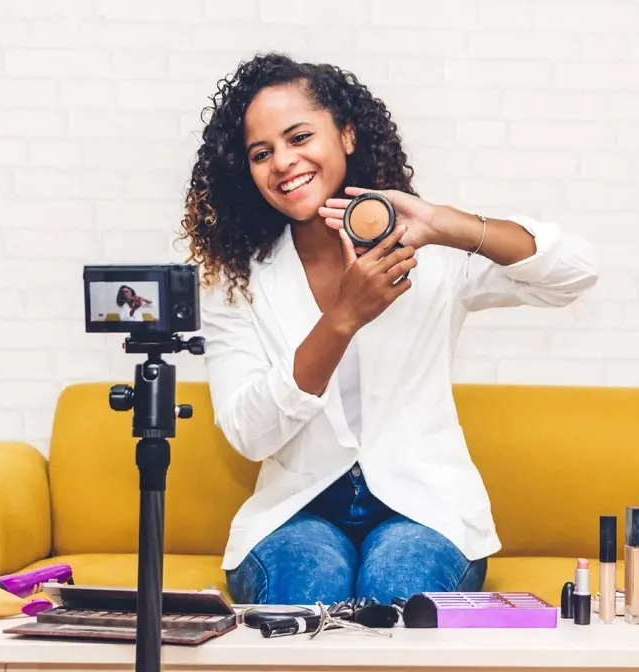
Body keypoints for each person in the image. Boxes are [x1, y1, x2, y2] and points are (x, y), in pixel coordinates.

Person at [178, 52, 599, 607]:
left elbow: (574, 273)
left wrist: (449, 224)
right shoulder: (237, 279)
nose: (282, 162)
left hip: (424, 507)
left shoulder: (429, 247)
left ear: (347, 134)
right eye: (262, 153)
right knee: (305, 593)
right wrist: (341, 320)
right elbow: (250, 434)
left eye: (299, 137)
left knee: (396, 596)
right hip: (297, 509)